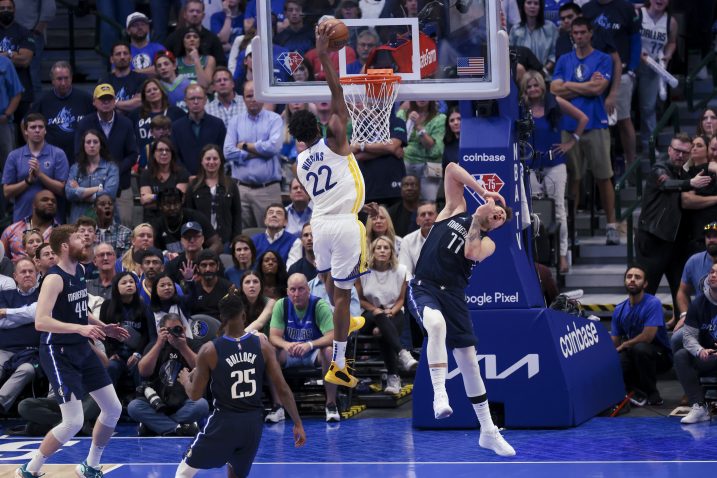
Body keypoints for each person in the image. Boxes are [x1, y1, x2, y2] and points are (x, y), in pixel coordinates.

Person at [405, 161, 515, 456]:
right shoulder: (455, 209)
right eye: (498, 209)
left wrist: (479, 222)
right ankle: (439, 394)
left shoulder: (488, 243)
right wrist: (483, 192)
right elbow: (452, 169)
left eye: (501, 217)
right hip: (424, 286)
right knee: (436, 326)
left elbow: (470, 251)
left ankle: (488, 431)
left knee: (468, 361)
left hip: (453, 295)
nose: (498, 213)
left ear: (497, 225)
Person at [289, 21, 375, 388]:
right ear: (322, 126)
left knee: (327, 280)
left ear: (297, 139)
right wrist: (325, 54)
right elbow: (337, 90)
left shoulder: (299, 162)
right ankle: (339, 363)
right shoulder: (337, 137)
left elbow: (303, 140)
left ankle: (345, 321)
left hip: (318, 224)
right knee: (342, 296)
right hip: (344, 223)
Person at [15, 225, 129, 478]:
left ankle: (90, 465)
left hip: (80, 348)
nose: (86, 238)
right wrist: (79, 329)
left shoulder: (79, 269)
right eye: (79, 237)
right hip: (58, 352)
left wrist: (101, 327)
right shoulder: (54, 278)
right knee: (73, 421)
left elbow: (78, 309)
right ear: (65, 246)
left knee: (113, 409)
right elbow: (41, 322)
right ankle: (29, 469)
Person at [174, 289, 306, 478]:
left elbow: (194, 395)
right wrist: (298, 423)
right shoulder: (263, 345)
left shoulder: (209, 350)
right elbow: (282, 388)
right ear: (244, 315)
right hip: (252, 424)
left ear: (221, 317)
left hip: (224, 421)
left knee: (184, 472)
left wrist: (186, 381)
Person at [550, 17, 619, 245]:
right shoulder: (563, 59)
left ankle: (611, 225)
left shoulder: (603, 59)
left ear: (590, 33)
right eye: (575, 33)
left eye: (582, 32)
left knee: (603, 176)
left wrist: (568, 85)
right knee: (572, 179)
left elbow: (598, 88)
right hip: (568, 127)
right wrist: (585, 86)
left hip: (596, 124)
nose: (579, 36)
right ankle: (571, 231)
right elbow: (554, 90)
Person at [636, 133, 714, 313]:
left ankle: (682, 330)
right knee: (646, 288)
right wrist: (690, 183)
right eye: (677, 151)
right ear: (669, 150)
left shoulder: (683, 172)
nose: (680, 155)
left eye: (685, 153)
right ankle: (635, 331)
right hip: (653, 238)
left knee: (680, 290)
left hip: (676, 243)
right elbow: (667, 184)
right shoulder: (659, 168)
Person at [521, 69, 588, 273]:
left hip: (555, 163)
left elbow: (582, 118)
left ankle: (562, 255)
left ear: (542, 86)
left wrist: (571, 142)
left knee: (559, 210)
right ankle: (539, 255)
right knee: (535, 212)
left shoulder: (555, 102)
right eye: (529, 86)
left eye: (536, 85)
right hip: (531, 165)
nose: (533, 89)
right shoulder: (522, 108)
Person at [270, 273, 341, 422]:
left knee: (329, 351)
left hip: (313, 352)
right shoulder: (281, 305)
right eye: (293, 290)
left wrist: (310, 345)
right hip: (290, 351)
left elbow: (332, 335)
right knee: (271, 352)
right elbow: (274, 336)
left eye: (301, 289)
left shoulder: (319, 305)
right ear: (287, 291)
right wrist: (286, 344)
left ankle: (331, 404)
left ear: (308, 289)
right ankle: (278, 407)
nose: (297, 294)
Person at [128, 313, 209, 436]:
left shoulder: (193, 344)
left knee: (202, 405)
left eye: (178, 328)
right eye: (169, 330)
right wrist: (159, 344)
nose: (174, 332)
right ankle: (179, 428)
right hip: (158, 403)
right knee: (134, 407)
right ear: (161, 331)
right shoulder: (155, 345)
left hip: (185, 401)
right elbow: (143, 371)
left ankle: (156, 426)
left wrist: (183, 347)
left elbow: (202, 368)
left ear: (185, 329)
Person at [75, 84, 140, 227]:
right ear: (94, 102)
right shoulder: (85, 123)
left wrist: (114, 171)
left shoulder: (126, 123)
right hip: (92, 187)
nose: (105, 102)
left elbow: (133, 154)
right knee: (91, 228)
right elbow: (78, 153)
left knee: (124, 227)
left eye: (109, 99)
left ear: (115, 101)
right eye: (102, 99)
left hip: (122, 186)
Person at [223, 80, 284, 228]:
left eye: (256, 95)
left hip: (268, 189)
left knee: (272, 234)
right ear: (243, 98)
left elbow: (274, 148)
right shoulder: (235, 121)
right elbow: (227, 152)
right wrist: (257, 152)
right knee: (243, 237)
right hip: (241, 190)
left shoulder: (274, 119)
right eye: (249, 96)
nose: (253, 99)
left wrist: (245, 146)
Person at [358, 236, 414, 393]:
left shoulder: (401, 271)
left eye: (386, 248)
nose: (382, 251)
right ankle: (402, 354)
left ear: (392, 251)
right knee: (378, 320)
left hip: (394, 313)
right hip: (368, 314)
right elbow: (360, 300)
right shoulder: (363, 271)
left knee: (381, 332)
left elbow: (401, 299)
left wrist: (391, 311)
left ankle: (393, 379)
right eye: (378, 248)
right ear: (373, 251)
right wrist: (376, 311)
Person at [611, 265, 672, 407]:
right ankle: (633, 392)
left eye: (637, 277)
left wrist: (625, 345)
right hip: (635, 351)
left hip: (660, 355)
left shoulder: (653, 303)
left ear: (645, 284)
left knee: (640, 348)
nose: (632, 280)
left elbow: (647, 337)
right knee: (618, 359)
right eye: (629, 277)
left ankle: (653, 394)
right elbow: (615, 342)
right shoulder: (619, 309)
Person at [3, 113, 68, 223]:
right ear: (25, 131)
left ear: (45, 130)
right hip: (22, 219)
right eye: (33, 127)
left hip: (52, 221)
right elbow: (6, 192)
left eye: (41, 127)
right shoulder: (14, 156)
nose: (37, 130)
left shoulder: (58, 154)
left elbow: (63, 190)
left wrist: (40, 175)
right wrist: (27, 181)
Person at [674, 261, 717, 424]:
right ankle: (699, 407)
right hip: (708, 356)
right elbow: (688, 336)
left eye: (716, 273)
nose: (712, 275)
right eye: (711, 272)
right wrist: (699, 350)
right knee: (681, 356)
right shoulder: (698, 304)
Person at [29, 61, 94, 167]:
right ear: (52, 81)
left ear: (71, 78)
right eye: (59, 79)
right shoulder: (43, 101)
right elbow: (25, 123)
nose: (63, 83)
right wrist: (33, 148)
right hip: (52, 159)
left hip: (82, 158)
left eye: (66, 78)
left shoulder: (85, 98)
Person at [0, 258, 41, 415]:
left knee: (27, 370)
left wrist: (7, 313)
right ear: (15, 276)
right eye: (23, 272)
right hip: (4, 349)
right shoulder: (4, 295)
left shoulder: (43, 294)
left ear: (36, 274)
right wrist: (28, 317)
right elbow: (1, 324)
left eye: (31, 271)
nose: (27, 274)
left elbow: (37, 313)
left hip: (33, 352)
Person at [99, 271, 151, 392]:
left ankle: (140, 401)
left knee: (141, 368)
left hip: (136, 354)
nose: (129, 285)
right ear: (116, 287)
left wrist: (138, 353)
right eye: (124, 283)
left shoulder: (143, 305)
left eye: (131, 282)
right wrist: (111, 353)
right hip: (117, 354)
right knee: (111, 367)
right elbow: (103, 332)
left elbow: (147, 334)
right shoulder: (107, 306)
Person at [637, 0, 677, 156]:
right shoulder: (639, 13)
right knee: (624, 109)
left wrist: (668, 55)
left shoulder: (671, 22)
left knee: (648, 108)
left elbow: (672, 42)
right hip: (634, 64)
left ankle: (649, 146)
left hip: (653, 67)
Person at [185, 144, 242, 246]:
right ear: (202, 161)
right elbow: (188, 214)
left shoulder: (231, 184)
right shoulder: (193, 185)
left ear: (220, 161)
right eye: (208, 159)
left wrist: (236, 240)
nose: (211, 162)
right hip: (200, 243)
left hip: (226, 241)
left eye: (215, 159)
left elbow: (237, 215)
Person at [171, 84, 227, 176]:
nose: (196, 102)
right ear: (185, 101)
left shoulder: (217, 124)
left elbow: (222, 153)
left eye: (199, 98)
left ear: (205, 100)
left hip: (213, 177)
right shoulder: (176, 127)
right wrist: (186, 176)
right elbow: (175, 156)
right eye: (192, 99)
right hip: (186, 180)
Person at [65, 130, 120, 224]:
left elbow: (110, 193)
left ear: (100, 145)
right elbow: (69, 193)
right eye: (88, 142)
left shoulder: (111, 167)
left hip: (104, 220)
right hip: (78, 219)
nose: (92, 145)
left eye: (95, 142)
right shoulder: (75, 168)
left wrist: (80, 191)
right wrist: (97, 189)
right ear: (83, 145)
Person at [129, 78, 185, 171]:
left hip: (170, 158)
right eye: (148, 91)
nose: (152, 92)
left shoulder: (176, 112)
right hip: (145, 158)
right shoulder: (135, 114)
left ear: (162, 91)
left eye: (155, 89)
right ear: (144, 96)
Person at [150, 188, 223, 255]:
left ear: (181, 202)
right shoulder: (157, 224)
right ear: (160, 206)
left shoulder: (196, 217)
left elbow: (217, 244)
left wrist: (203, 258)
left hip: (198, 263)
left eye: (176, 203)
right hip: (171, 264)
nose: (172, 208)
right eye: (168, 204)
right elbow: (152, 251)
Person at [397, 101, 446, 202]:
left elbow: (435, 149)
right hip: (406, 163)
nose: (421, 99)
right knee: (404, 201)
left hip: (432, 164)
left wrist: (418, 126)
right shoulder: (402, 114)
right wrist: (409, 123)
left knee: (430, 201)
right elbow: (397, 141)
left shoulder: (440, 118)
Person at [139, 137, 190, 221]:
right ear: (154, 153)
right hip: (152, 219)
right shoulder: (146, 174)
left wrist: (153, 198)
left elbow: (178, 200)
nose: (164, 153)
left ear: (172, 154)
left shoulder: (182, 173)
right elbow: (144, 200)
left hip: (176, 219)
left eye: (167, 150)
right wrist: (163, 198)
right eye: (160, 150)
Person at [1, 189, 60, 261]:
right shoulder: (11, 230)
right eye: (44, 200)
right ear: (34, 205)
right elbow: (2, 260)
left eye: (53, 201)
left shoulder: (60, 234)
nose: (50, 203)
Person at [164, 0, 226, 67]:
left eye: (198, 11)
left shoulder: (213, 39)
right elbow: (165, 61)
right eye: (191, 11)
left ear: (203, 16)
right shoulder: (173, 38)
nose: (195, 14)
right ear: (184, 14)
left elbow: (221, 65)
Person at [508, 0, 559, 74]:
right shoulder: (515, 29)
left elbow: (554, 55)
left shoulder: (551, 28)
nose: (532, 6)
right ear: (523, 6)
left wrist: (543, 72)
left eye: (536, 3)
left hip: (544, 74)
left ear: (540, 7)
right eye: (529, 3)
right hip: (521, 76)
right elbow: (511, 53)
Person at [99, 42, 148, 113]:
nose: (122, 57)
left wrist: (112, 103)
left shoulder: (141, 78)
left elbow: (139, 102)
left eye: (125, 53)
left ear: (130, 58)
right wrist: (129, 103)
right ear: (111, 59)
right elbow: (101, 104)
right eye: (118, 54)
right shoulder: (105, 81)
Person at [184, 249, 232, 319]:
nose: (208, 269)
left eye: (212, 265)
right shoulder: (191, 289)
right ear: (197, 268)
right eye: (204, 265)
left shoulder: (229, 288)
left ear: (218, 266)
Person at [398, 201, 438, 278]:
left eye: (430, 214)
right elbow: (405, 272)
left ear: (437, 217)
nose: (427, 218)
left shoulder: (447, 236)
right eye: (423, 215)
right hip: (418, 286)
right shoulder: (407, 241)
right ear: (417, 221)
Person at [126, 12, 166, 77]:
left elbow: (162, 69)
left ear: (148, 28)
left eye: (143, 24)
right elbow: (118, 72)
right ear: (128, 31)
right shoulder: (124, 51)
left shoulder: (159, 48)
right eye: (135, 25)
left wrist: (133, 72)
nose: (139, 27)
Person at [94, 193, 132, 257]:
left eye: (110, 204)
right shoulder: (88, 234)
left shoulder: (126, 233)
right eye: (102, 204)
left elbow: (126, 262)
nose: (107, 207)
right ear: (95, 209)